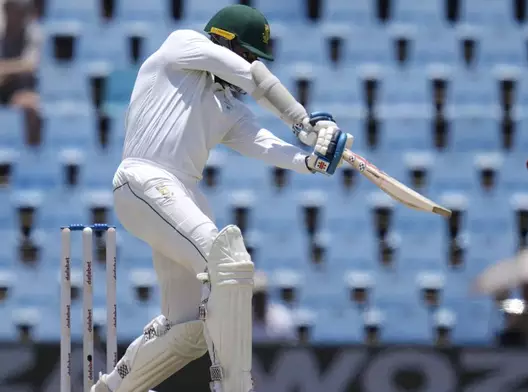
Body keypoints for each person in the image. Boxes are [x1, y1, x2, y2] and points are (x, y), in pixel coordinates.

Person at [92, 4, 351, 392]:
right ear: (223, 40)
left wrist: (311, 161)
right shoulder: (183, 45)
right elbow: (251, 75)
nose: (248, 61)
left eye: (253, 55)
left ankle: (111, 388)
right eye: (246, 51)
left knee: (189, 329)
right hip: (143, 178)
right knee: (228, 263)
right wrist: (304, 122)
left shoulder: (227, 106)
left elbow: (263, 144)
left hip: (180, 194)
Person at [0, 0, 41, 145]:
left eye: (16, 10)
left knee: (30, 103)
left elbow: (29, 64)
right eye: (9, 9)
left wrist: (5, 69)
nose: (12, 14)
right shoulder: (2, 35)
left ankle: (29, 154)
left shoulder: (33, 32)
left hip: (21, 89)